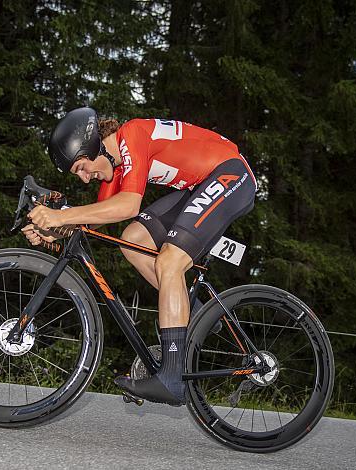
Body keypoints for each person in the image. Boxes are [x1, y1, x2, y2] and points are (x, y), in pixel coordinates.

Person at [22, 107, 256, 406]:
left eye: (81, 166)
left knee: (169, 260)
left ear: (94, 145)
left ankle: (172, 377)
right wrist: (52, 232)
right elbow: (91, 221)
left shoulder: (132, 134)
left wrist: (57, 217)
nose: (83, 179)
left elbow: (129, 206)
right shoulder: (116, 170)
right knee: (132, 240)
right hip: (202, 185)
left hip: (230, 174)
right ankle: (196, 313)